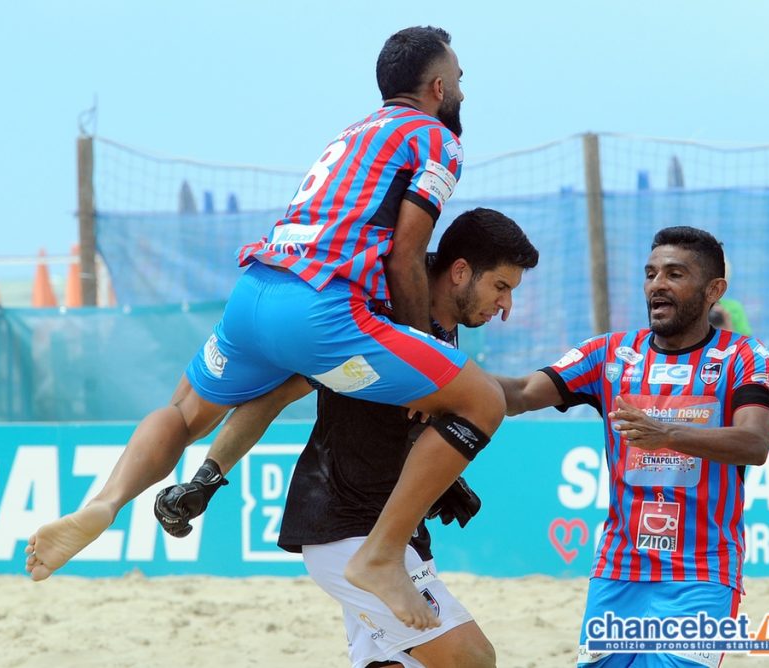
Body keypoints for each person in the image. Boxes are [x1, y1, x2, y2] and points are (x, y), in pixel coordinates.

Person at [27, 26, 506, 631]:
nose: (463, 89)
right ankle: (382, 557)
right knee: (480, 398)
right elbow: (406, 253)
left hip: (257, 291)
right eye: (459, 80)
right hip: (320, 304)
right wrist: (425, 359)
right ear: (438, 87)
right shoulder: (436, 139)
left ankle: (104, 503)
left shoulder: (352, 133)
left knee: (183, 412)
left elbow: (280, 388)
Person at [156, 208, 538, 668]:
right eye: (501, 287)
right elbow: (272, 396)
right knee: (471, 658)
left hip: (389, 536)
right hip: (347, 531)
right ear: (460, 272)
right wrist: (207, 477)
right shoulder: (376, 321)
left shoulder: (441, 338)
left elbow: (489, 398)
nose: (506, 306)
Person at [497, 226, 769, 667]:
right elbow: (519, 393)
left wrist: (667, 434)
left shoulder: (743, 356)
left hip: (702, 573)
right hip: (619, 568)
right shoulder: (608, 354)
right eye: (650, 273)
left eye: (674, 274)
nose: (657, 285)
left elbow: (755, 442)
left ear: (713, 290)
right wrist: (440, 375)